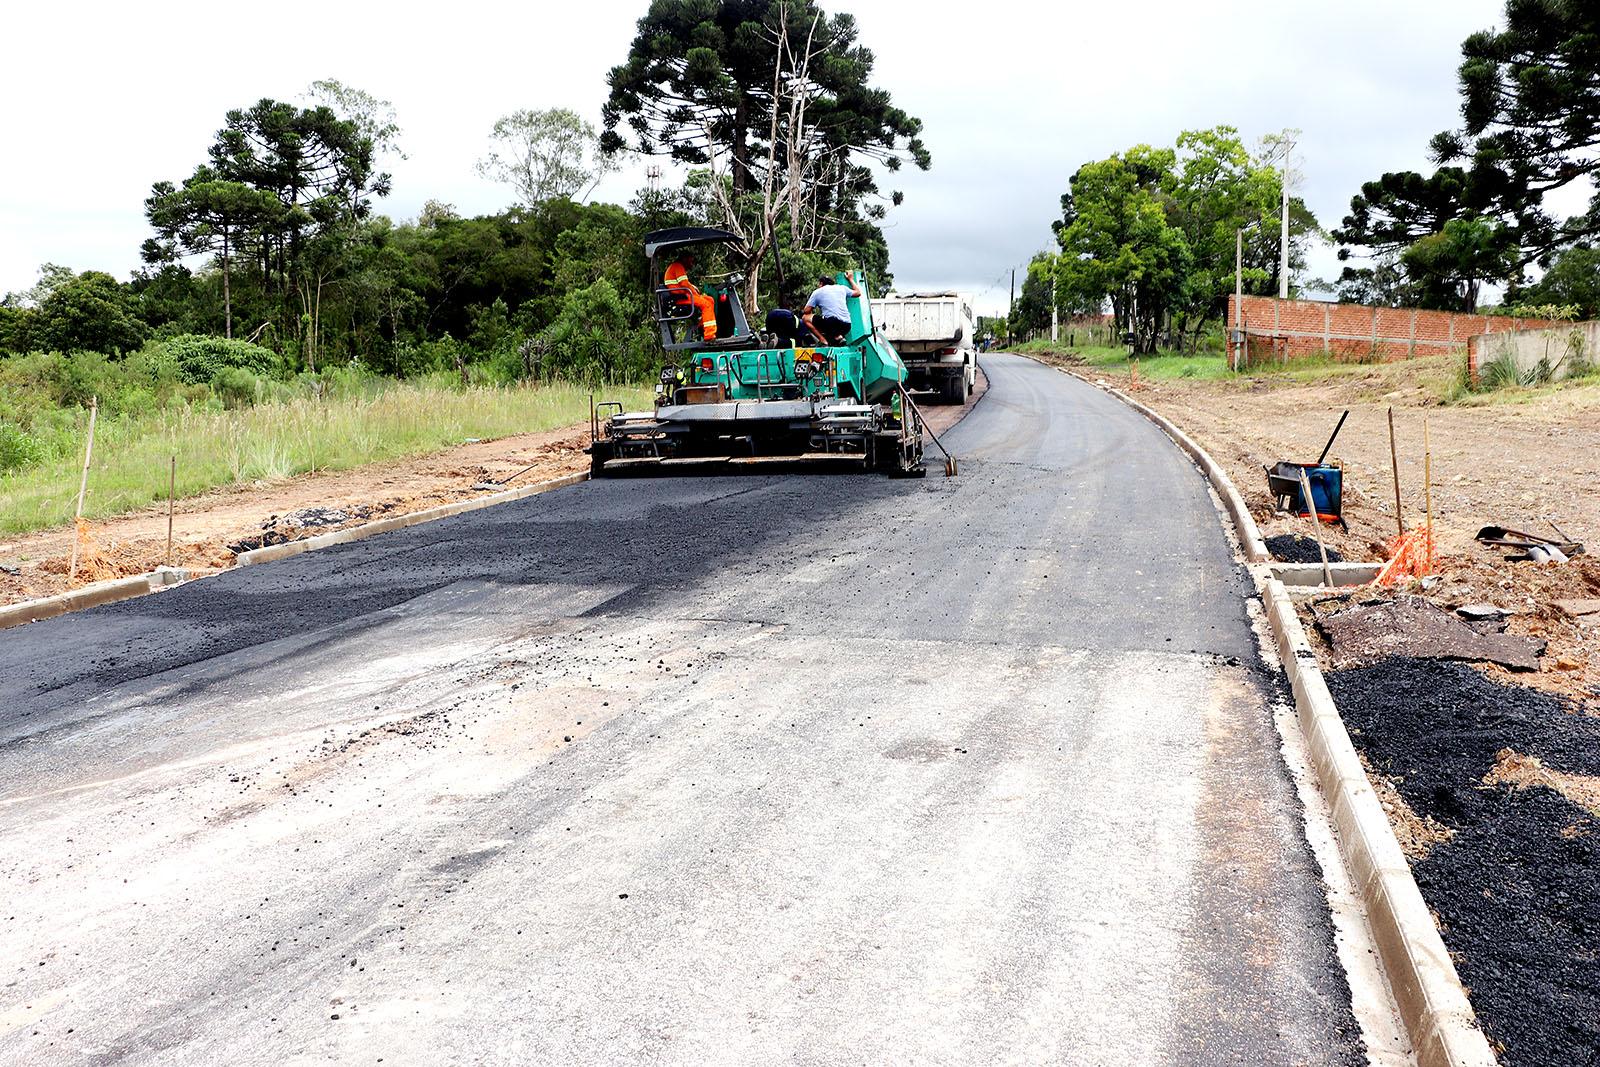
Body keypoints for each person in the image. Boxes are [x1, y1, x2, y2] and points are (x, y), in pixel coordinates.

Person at [663, 252, 718, 341]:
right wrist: (696, 294)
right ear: (684, 259)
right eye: (691, 261)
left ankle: (701, 326)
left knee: (710, 299)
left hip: (683, 296)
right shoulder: (678, 266)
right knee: (706, 304)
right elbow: (684, 284)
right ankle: (709, 335)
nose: (692, 264)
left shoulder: (676, 267)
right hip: (681, 298)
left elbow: (684, 283)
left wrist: (693, 287)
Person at [804, 272, 860, 345]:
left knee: (805, 318)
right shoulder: (842, 288)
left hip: (831, 324)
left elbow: (806, 311)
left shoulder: (817, 292)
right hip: (846, 326)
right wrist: (850, 279)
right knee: (830, 320)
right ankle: (838, 337)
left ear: (821, 283)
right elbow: (858, 293)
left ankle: (823, 341)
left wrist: (817, 304)